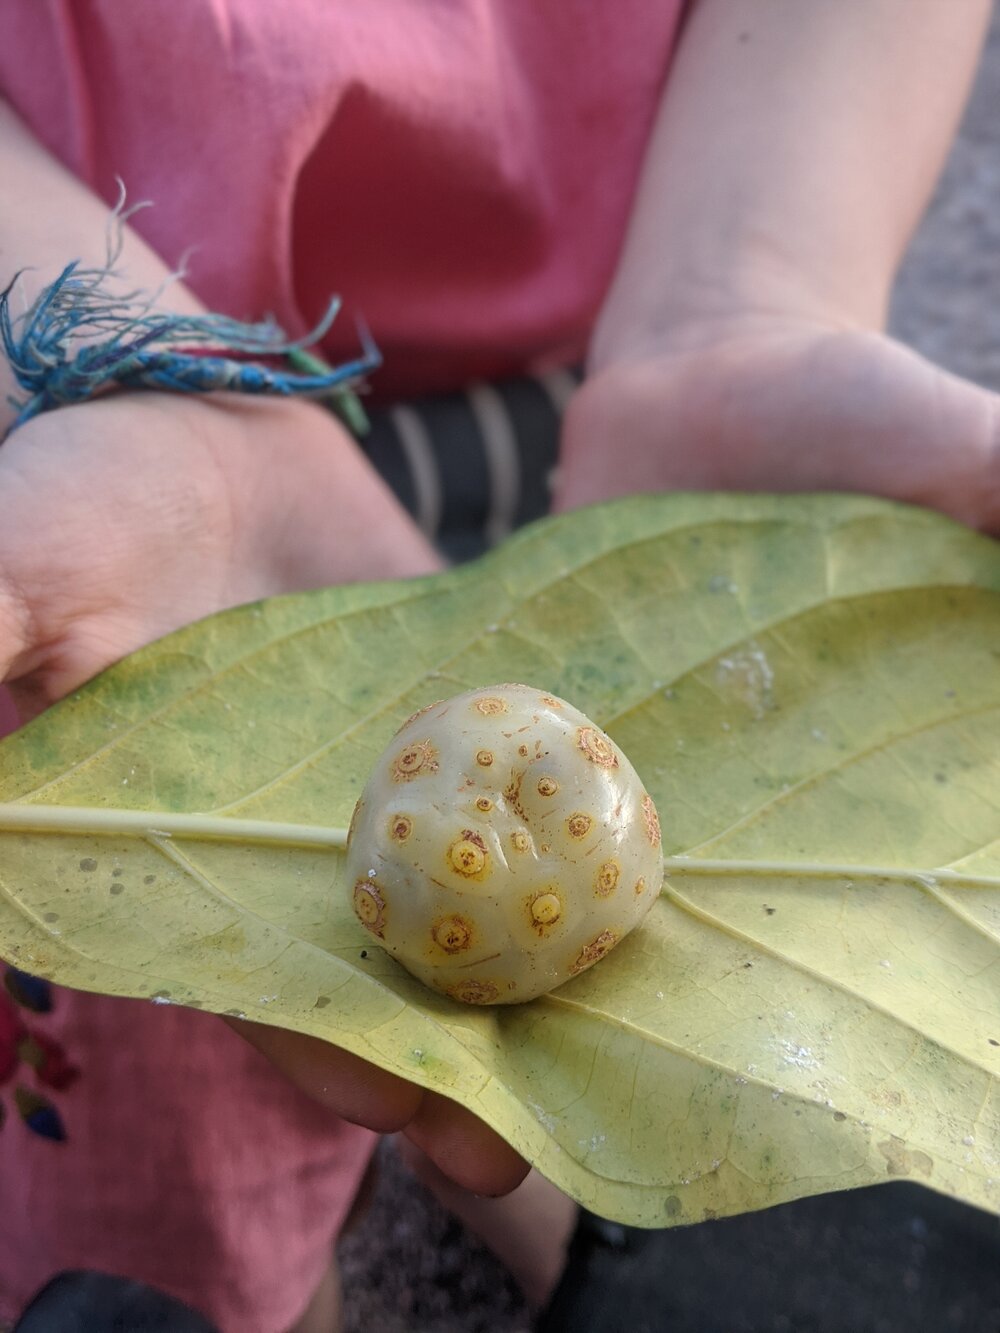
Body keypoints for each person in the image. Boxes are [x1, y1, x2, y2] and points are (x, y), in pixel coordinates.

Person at [0, 2, 997, 1329]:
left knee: (495, 1078)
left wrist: (746, 288)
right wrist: (115, 369)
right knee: (183, 1120)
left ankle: (545, 1202)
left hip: (606, 388)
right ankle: (269, 1288)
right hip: (123, 409)